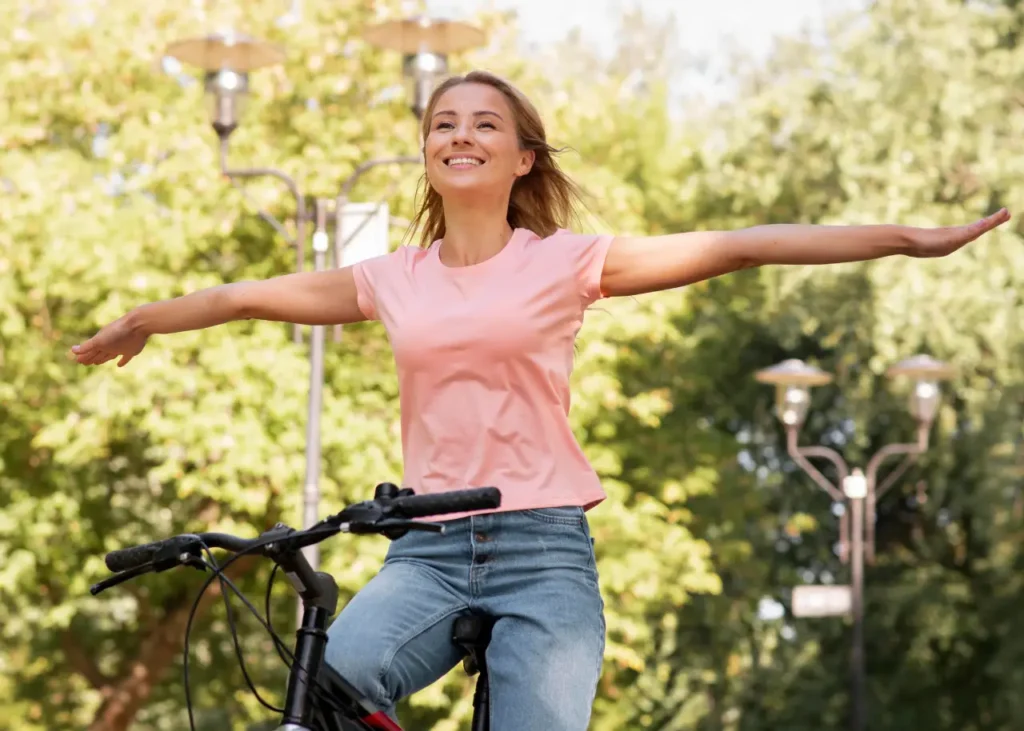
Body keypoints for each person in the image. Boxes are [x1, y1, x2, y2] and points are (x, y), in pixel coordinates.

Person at [71, 69, 1009, 729]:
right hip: (425, 551)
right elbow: (242, 298)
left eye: (484, 123)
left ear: (523, 158)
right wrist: (146, 319)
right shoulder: (391, 278)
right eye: (443, 123)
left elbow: (738, 243)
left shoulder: (566, 262)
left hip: (543, 550)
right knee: (329, 680)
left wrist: (903, 239)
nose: (460, 135)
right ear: (428, 155)